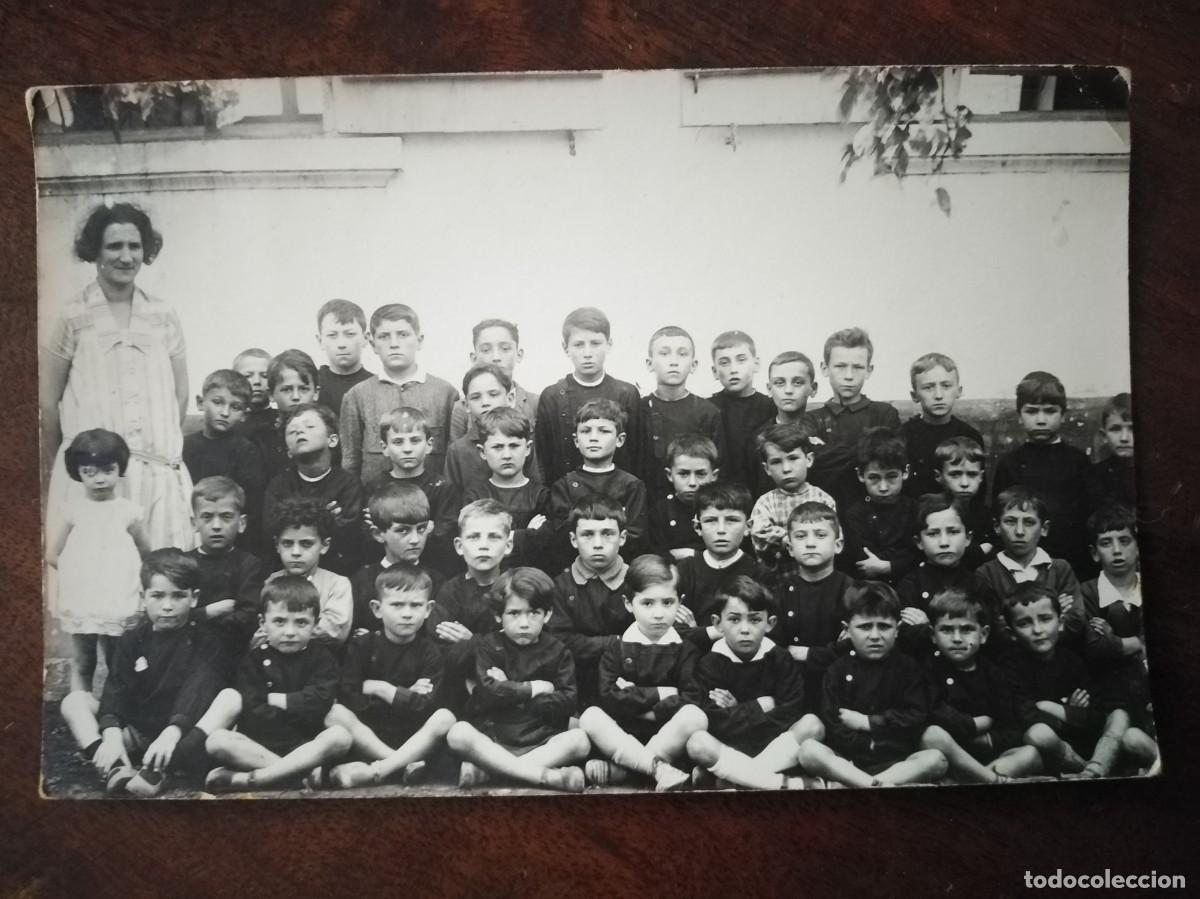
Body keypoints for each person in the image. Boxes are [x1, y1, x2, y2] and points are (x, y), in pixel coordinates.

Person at [41, 202, 194, 550]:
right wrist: (69, 471)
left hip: (156, 475)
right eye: (114, 246)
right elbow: (48, 404)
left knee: (161, 583)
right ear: (95, 250)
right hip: (95, 479)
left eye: (134, 246)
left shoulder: (163, 314)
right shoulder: (72, 315)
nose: (126, 257)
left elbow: (180, 396)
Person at [60, 550, 228, 797]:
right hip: (138, 732)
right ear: (143, 597)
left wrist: (172, 733)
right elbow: (116, 688)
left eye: (178, 596)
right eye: (158, 596)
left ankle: (162, 769)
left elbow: (196, 692)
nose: (167, 606)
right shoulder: (132, 639)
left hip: (180, 737)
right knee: (74, 701)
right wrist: (112, 734)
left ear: (194, 598)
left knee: (230, 698)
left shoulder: (206, 639)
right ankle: (115, 765)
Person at [445, 568, 591, 793]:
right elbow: (488, 692)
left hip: (541, 739)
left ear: (548, 614)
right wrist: (535, 688)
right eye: (514, 613)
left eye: (534, 612)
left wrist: (512, 691)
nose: (524, 623)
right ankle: (543, 776)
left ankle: (490, 773)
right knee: (458, 733)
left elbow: (567, 700)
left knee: (580, 739)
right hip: (495, 738)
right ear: (497, 615)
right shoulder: (487, 646)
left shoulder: (558, 651)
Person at [204, 576, 352, 792]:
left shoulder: (323, 659)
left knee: (340, 736)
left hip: (307, 745)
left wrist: (278, 701)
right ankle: (299, 777)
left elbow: (321, 702)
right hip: (260, 746)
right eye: (280, 621)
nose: (290, 631)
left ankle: (256, 779)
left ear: (316, 624)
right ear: (263, 623)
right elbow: (254, 711)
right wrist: (298, 705)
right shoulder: (253, 660)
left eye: (301, 622)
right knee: (217, 740)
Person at [795, 582, 947, 787]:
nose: (875, 636)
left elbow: (916, 715)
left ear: (897, 629)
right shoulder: (837, 669)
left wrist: (871, 723)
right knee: (809, 751)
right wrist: (868, 744)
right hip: (848, 760)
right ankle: (877, 785)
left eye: (884, 626)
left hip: (896, 760)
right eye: (865, 627)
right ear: (847, 629)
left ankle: (863, 785)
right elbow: (833, 722)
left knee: (936, 759)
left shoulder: (908, 668)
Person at [579, 555, 708, 791]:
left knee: (695, 715)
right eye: (647, 603)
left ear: (680, 602)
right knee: (590, 716)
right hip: (623, 734)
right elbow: (609, 698)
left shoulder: (685, 649)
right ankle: (657, 769)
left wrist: (639, 701)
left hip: (669, 737)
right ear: (629, 603)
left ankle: (629, 771)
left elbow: (691, 697)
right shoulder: (617, 648)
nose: (658, 614)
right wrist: (660, 693)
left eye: (667, 603)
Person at [684, 576, 825, 790]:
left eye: (755, 619)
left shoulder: (780, 659)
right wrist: (759, 706)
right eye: (734, 619)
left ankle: (734, 780)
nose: (745, 629)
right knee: (697, 742)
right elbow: (715, 720)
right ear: (717, 623)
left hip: (775, 746)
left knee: (812, 724)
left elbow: (791, 712)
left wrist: (737, 709)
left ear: (770, 624)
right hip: (729, 746)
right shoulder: (710, 663)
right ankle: (783, 784)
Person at [325, 567, 457, 788]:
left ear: (428, 609)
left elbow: (426, 705)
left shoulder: (431, 652)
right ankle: (399, 763)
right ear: (377, 609)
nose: (407, 613)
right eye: (397, 605)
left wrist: (380, 689)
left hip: (415, 737)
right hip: (369, 736)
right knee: (334, 713)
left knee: (445, 717)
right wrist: (406, 693)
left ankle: (381, 770)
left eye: (415, 605)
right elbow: (348, 695)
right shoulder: (362, 646)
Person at [46, 429, 150, 694]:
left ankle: (114, 710)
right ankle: (79, 707)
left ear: (120, 468)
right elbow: (52, 553)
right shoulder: (73, 511)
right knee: (83, 660)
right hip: (84, 599)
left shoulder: (129, 512)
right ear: (77, 472)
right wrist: (80, 575)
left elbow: (147, 556)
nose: (99, 479)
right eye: (89, 472)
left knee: (118, 660)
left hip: (118, 599)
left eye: (107, 470)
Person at [1000, 583, 1130, 778]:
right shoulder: (1008, 666)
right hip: (1046, 749)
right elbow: (1024, 716)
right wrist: (1070, 712)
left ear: (1060, 623)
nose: (1037, 629)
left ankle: (1096, 768)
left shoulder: (1071, 660)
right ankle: (1083, 769)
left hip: (1082, 743)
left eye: (1045, 619)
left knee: (1119, 715)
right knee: (1039, 733)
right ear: (1011, 632)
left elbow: (1096, 716)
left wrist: (1052, 707)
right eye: (1024, 623)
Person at [917, 589, 1042, 783]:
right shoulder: (930, 669)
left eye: (966, 629)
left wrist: (987, 740)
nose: (957, 638)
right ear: (933, 635)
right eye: (947, 630)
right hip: (948, 754)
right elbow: (933, 712)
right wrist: (975, 724)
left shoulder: (993, 673)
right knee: (932, 735)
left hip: (988, 755)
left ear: (983, 634)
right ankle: (991, 781)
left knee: (1031, 753)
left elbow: (1011, 725)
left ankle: (973, 779)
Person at [341, 303, 460, 484]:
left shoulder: (446, 393)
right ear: (373, 344)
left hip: (434, 503)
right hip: (376, 501)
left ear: (419, 340)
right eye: (384, 336)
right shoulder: (357, 396)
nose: (394, 344)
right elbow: (350, 461)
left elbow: (453, 459)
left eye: (403, 335)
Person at [991, 370, 1094, 578]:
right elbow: (1000, 518)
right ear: (1019, 415)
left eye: (1049, 411)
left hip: (1071, 561)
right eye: (1031, 411)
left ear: (1063, 415)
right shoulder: (1009, 464)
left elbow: (1087, 515)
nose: (1040, 420)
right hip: (1021, 563)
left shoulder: (1078, 461)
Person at [1079, 504, 1158, 772]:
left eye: (1125, 541)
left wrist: (1116, 640)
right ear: (1094, 553)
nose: (1116, 550)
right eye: (1105, 543)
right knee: (1118, 725)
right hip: (1110, 693)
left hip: (1149, 690)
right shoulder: (1088, 593)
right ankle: (1093, 773)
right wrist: (1140, 643)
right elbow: (1097, 648)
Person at [536, 306, 641, 488]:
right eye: (578, 345)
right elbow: (544, 459)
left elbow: (636, 455)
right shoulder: (552, 397)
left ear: (609, 344)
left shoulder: (626, 394)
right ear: (565, 348)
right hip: (567, 497)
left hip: (617, 495)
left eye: (595, 343)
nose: (587, 353)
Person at [975, 487, 1086, 655]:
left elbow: (1075, 620)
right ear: (997, 526)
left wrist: (1012, 618)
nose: (1019, 531)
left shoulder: (1060, 569)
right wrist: (1053, 613)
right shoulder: (986, 574)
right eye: (1010, 521)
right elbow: (992, 628)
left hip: (1057, 660)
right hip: (1008, 665)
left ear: (1044, 528)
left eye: (1029, 522)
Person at [765, 502, 854, 708]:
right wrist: (830, 650)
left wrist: (805, 654)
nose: (810, 543)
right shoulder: (779, 594)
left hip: (841, 688)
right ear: (790, 548)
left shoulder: (851, 591)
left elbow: (851, 647)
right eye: (801, 536)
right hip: (792, 687)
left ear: (838, 545)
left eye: (820, 535)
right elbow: (776, 648)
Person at [803, 327, 900, 511]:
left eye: (857, 367)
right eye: (840, 366)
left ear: (869, 370)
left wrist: (829, 451)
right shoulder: (812, 420)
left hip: (875, 510)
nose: (849, 376)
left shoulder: (884, 414)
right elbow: (816, 467)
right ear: (825, 368)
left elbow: (887, 460)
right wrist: (865, 451)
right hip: (827, 512)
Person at [548, 497, 634, 704]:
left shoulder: (636, 582)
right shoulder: (560, 585)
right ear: (573, 539)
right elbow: (561, 641)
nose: (597, 544)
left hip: (630, 677)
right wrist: (617, 642)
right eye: (587, 535)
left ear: (622, 538)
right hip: (578, 679)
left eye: (607, 534)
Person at [262, 403, 364, 576]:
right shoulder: (278, 485)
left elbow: (350, 535)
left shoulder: (348, 484)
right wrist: (326, 517)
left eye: (309, 427)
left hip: (338, 570)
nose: (300, 432)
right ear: (288, 450)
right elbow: (271, 530)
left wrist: (295, 515)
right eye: (292, 431)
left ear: (332, 440)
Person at [546, 399, 648, 563]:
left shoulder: (631, 485)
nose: (593, 438)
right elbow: (562, 534)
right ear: (576, 440)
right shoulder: (565, 485)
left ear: (620, 439)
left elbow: (635, 535)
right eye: (586, 431)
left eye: (603, 431)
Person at [361, 407, 459, 575]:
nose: (407, 449)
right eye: (398, 442)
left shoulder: (442, 487)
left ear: (429, 445)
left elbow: (445, 537)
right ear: (384, 447)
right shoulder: (375, 486)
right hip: (386, 571)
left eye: (415, 440)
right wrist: (426, 528)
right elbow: (368, 534)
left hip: (429, 570)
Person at [428, 501, 515, 687]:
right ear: (459, 546)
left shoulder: (518, 588)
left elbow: (521, 647)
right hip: (461, 685)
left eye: (493, 537)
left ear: (508, 546)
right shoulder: (449, 592)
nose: (483, 545)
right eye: (474, 537)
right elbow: (442, 652)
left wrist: (471, 641)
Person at [635, 325, 725, 503]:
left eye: (682, 354)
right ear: (649, 363)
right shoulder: (639, 410)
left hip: (696, 505)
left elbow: (718, 468)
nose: (673, 361)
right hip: (650, 506)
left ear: (693, 365)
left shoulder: (707, 412)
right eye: (664, 353)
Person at [896, 493, 992, 657]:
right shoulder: (911, 585)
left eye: (953, 532)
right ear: (919, 541)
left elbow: (988, 635)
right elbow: (905, 636)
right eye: (933, 534)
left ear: (968, 538)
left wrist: (927, 626)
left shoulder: (977, 584)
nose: (944, 542)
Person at [675, 482, 769, 648]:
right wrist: (729, 629)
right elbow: (673, 631)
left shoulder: (759, 574)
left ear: (748, 527)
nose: (721, 530)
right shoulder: (684, 570)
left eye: (731, 520)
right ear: (697, 527)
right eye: (711, 520)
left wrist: (700, 632)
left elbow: (760, 631)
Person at [184, 477, 265, 663]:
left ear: (242, 523)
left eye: (226, 516)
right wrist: (208, 612)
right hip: (189, 653)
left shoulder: (249, 565)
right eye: (207, 517)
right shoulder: (184, 563)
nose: (216, 526)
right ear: (194, 523)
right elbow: (174, 613)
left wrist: (194, 617)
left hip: (233, 653)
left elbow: (247, 616)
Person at [182, 369, 266, 547]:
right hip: (190, 530)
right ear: (200, 402)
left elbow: (252, 507)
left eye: (235, 407)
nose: (225, 412)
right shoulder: (185, 446)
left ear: (244, 414)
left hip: (231, 538)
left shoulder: (246, 451)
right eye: (218, 402)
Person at [351, 482, 445, 632]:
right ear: (378, 534)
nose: (415, 539)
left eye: (421, 529)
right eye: (403, 531)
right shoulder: (362, 582)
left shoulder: (437, 581)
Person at [261, 497, 353, 648]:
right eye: (288, 543)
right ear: (277, 545)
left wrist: (278, 631)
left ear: (324, 545)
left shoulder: (337, 584)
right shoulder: (271, 582)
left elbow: (335, 630)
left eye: (306, 544)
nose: (296, 552)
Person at [463, 407, 549, 568]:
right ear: (482, 452)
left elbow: (543, 546)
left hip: (528, 577)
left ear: (528, 448)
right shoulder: (476, 495)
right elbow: (476, 543)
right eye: (498, 447)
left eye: (514, 446)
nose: (507, 455)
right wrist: (525, 536)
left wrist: (499, 538)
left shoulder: (541, 495)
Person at [748, 422, 836, 573]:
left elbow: (831, 539)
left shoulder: (823, 499)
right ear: (766, 468)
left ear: (809, 460)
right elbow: (761, 537)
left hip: (816, 575)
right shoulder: (766, 503)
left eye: (793, 458)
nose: (786, 469)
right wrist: (801, 539)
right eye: (776, 462)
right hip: (779, 577)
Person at [839, 428, 919, 585]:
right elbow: (864, 560)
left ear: (905, 472)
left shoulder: (914, 509)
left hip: (910, 583)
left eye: (891, 477)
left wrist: (889, 566)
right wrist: (901, 557)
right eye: (874, 478)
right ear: (860, 475)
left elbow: (920, 553)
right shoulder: (855, 514)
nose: (883, 487)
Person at [900, 353, 985, 499]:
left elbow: (978, 491)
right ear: (914, 395)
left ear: (959, 391)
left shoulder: (969, 435)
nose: (938, 395)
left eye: (946, 386)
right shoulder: (904, 435)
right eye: (928, 387)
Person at [448, 318, 540, 443]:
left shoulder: (534, 404)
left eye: (505, 349)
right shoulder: (461, 409)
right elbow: (457, 453)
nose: (496, 357)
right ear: (474, 358)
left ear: (519, 354)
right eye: (486, 350)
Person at [707, 330, 776, 492]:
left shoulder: (770, 407)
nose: (733, 369)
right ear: (715, 371)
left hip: (764, 494)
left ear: (756, 364)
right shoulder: (708, 409)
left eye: (741, 360)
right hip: (722, 496)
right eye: (724, 362)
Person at [445, 362, 529, 495]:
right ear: (466, 405)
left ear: (510, 398)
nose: (485, 402)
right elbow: (452, 500)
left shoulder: (521, 441)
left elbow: (535, 488)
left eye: (493, 394)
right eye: (476, 397)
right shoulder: (458, 451)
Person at [747, 350, 819, 497]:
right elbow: (755, 487)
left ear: (813, 388)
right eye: (779, 383)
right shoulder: (758, 437)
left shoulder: (821, 433)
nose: (788, 390)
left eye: (797, 382)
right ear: (769, 389)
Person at [253, 349, 322, 483]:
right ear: (271, 395)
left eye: (303, 389)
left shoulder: (326, 433)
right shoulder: (260, 439)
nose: (296, 397)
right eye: (287, 389)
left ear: (316, 393)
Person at [647, 435, 719, 560]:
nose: (692, 482)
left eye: (701, 474)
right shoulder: (661, 511)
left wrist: (692, 555)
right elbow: (656, 555)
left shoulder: (722, 509)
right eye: (683, 474)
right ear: (669, 475)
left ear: (714, 475)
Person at [932, 436, 995, 568]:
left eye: (972, 474)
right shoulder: (930, 510)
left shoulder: (985, 514)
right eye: (955, 474)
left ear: (981, 477)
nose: (964, 483)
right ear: (939, 476)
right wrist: (978, 551)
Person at [314, 299, 373, 417]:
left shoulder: (375, 386)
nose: (341, 344)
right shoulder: (311, 385)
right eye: (332, 335)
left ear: (365, 338)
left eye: (350, 334)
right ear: (320, 341)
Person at [1092, 393, 1135, 509]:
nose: (1124, 438)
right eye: (1115, 429)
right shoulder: (1094, 476)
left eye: (1132, 429)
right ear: (1104, 435)